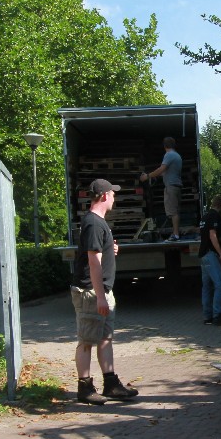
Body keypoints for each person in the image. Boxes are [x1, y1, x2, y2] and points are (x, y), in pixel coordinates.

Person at [70, 178, 139, 405]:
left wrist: (111, 249)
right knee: (87, 341)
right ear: (104, 196)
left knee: (105, 339)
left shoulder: (98, 222)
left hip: (102, 291)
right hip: (91, 292)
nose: (114, 197)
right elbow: (93, 262)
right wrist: (100, 296)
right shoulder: (93, 223)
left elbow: (97, 252)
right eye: (112, 193)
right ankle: (84, 388)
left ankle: (111, 385)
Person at [140, 136, 183, 240]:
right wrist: (155, 175)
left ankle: (175, 234)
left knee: (173, 212)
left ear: (164, 146)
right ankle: (175, 233)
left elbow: (161, 169)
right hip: (176, 185)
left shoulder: (169, 155)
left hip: (171, 186)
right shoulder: (177, 156)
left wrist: (147, 176)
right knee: (175, 211)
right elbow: (165, 172)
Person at [199, 195, 221, 325]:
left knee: (207, 287)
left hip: (203, 255)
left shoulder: (204, 217)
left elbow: (203, 232)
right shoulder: (214, 216)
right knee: (220, 284)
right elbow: (212, 236)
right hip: (211, 254)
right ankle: (218, 315)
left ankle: (207, 317)